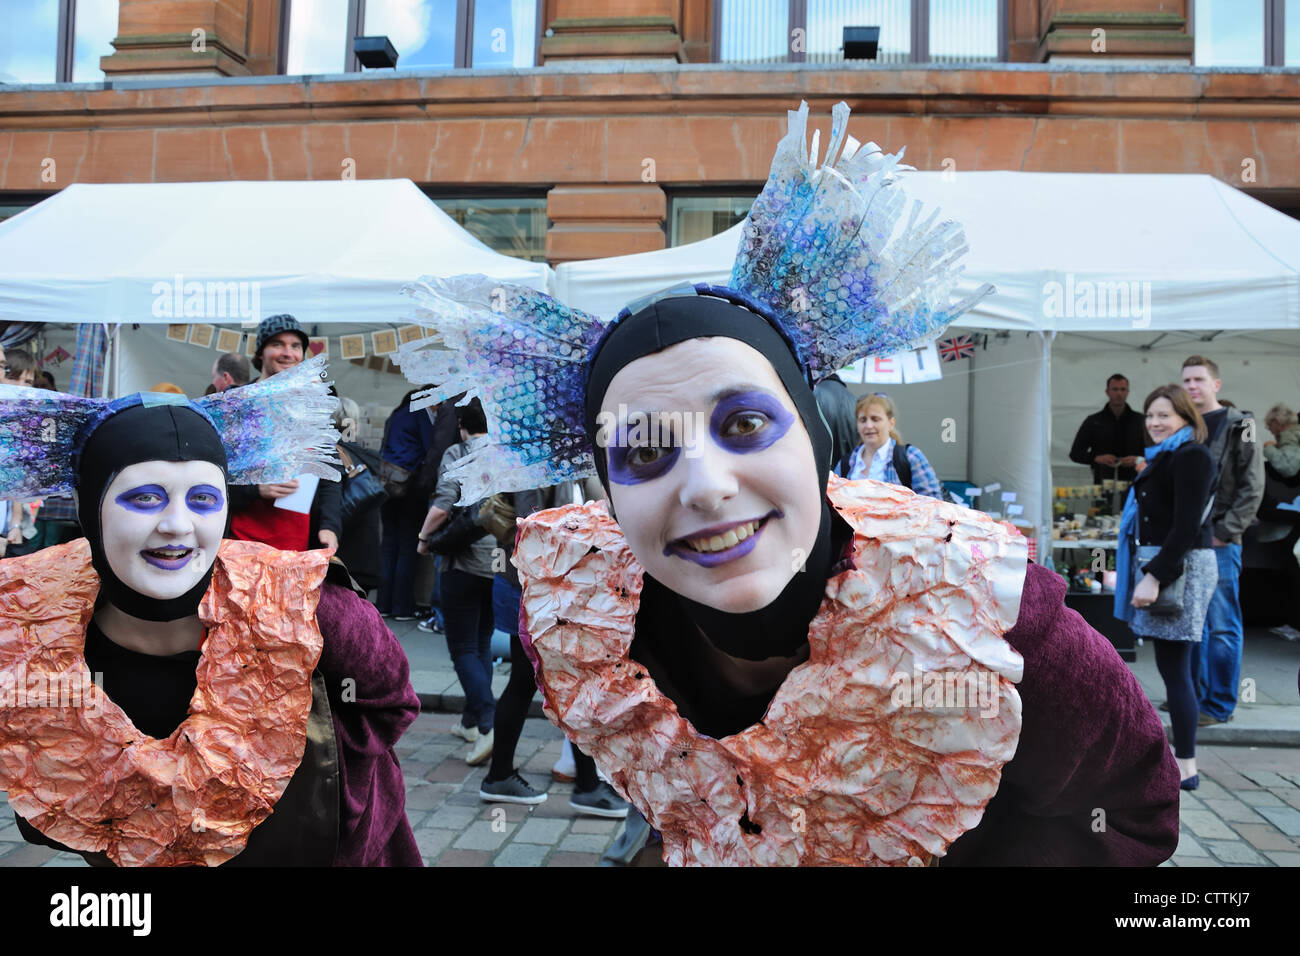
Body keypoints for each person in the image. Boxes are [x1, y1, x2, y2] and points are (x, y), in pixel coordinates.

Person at [396, 101, 1180, 866]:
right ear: (605, 492)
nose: (704, 487)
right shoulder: (582, 621)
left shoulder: (985, 615)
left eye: (742, 426)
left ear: (813, 438)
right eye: (643, 452)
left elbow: (1136, 815)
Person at [0, 358, 422, 865]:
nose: (178, 525)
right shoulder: (31, 623)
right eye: (145, 498)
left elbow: (390, 702)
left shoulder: (309, 606)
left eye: (202, 499)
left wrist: (314, 776)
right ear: (92, 508)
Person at [475, 483, 629, 817]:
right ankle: (584, 786)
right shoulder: (539, 471)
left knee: (542, 681)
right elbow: (540, 529)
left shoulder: (566, 468)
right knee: (566, 681)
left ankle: (503, 775)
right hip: (537, 592)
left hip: (544, 591)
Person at [1114, 385, 1217, 791]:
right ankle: (1178, 759)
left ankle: (1185, 765)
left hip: (1180, 567)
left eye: (1165, 416)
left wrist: (1154, 576)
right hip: (1171, 562)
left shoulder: (1192, 456)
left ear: (1186, 418)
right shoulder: (1167, 455)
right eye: (1151, 415)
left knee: (1175, 668)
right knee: (1177, 667)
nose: (1155, 423)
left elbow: (1187, 526)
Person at [1180, 356, 1265, 727]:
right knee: (1192, 624)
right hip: (1187, 540)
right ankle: (1192, 697)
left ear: (1216, 384)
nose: (1192, 386)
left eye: (1199, 379)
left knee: (1222, 625)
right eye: (1186, 380)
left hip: (1220, 541)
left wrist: (1224, 532)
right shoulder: (1185, 427)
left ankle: (1218, 704)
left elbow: (1253, 486)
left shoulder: (1242, 425)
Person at [416, 398, 498, 766]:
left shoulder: (458, 452)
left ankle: (487, 722)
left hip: (462, 561)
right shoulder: (504, 452)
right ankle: (469, 720)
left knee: (462, 647)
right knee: (481, 641)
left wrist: (422, 537)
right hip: (498, 561)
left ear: (462, 424)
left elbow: (444, 504)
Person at [227, 314, 341, 553]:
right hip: (241, 546)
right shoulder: (237, 403)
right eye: (277, 344)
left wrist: (330, 526)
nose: (288, 353)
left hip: (298, 550)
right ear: (261, 353)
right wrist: (256, 489)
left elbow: (329, 472)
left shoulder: (314, 406)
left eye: (296, 346)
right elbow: (211, 470)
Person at [376, 389, 435, 621]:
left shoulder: (396, 414)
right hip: (409, 486)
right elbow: (430, 447)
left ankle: (383, 603)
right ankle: (402, 607)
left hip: (387, 485)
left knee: (389, 544)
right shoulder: (420, 414)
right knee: (408, 545)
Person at [835, 392, 944, 499]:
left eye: (875, 419)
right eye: (863, 420)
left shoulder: (911, 457)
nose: (868, 425)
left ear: (891, 423)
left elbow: (933, 503)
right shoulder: (846, 463)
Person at [1069, 374, 1146, 483]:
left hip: (1135, 484)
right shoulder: (1093, 422)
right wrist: (1096, 458)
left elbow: (1154, 452)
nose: (1119, 393)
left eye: (1122, 389)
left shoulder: (1141, 421)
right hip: (1102, 485)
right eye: (1115, 389)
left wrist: (1138, 459)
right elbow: (1075, 454)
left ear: (1127, 392)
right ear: (1107, 392)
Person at [1263, 403, 1300, 479]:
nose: (1270, 430)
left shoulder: (1290, 436)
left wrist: (1269, 448)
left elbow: (1289, 467)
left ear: (1276, 422)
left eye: (1269, 425)